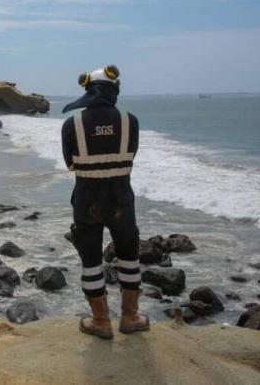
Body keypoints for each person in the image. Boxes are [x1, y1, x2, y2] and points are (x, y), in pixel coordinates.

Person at [61, 65, 147, 340]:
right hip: (122, 199)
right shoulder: (129, 121)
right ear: (114, 91)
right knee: (129, 257)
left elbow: (70, 163)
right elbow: (130, 154)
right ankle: (131, 317)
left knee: (91, 261)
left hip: (87, 200)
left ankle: (100, 321)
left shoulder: (71, 125)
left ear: (88, 91)